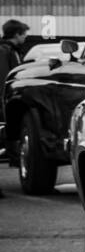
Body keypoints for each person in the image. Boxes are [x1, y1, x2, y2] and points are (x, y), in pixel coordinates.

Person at [0, 19, 29, 193]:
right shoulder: (5, 51)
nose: (26, 37)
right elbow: (5, 78)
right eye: (24, 33)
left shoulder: (10, 50)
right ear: (17, 34)